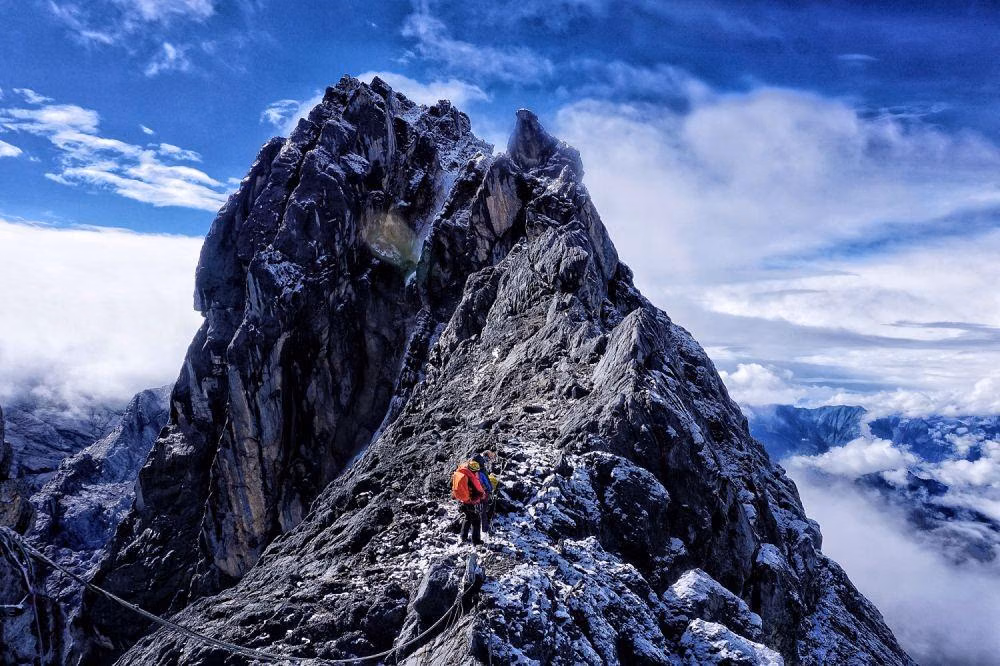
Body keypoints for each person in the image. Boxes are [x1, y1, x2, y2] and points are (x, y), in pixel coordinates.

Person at [451, 459, 487, 545]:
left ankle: (463, 536)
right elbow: (479, 490)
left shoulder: (461, 472)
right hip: (471, 501)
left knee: (467, 518)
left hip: (463, 500)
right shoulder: (471, 478)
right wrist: (483, 495)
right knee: (476, 520)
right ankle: (476, 541)